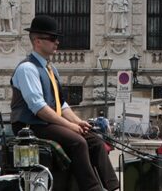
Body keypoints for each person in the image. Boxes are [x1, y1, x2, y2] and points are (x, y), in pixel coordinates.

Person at [11, 15, 118, 191]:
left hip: (48, 122)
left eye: (57, 38)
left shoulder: (51, 69)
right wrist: (69, 125)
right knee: (78, 142)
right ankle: (92, 189)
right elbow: (38, 108)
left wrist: (78, 122)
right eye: (52, 38)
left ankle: (113, 187)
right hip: (30, 125)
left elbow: (61, 104)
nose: (57, 42)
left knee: (97, 142)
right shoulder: (27, 69)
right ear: (37, 41)